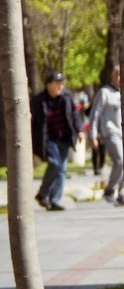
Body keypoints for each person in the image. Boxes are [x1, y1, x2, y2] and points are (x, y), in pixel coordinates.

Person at [33, 72, 73, 211]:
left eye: (62, 83)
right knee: (55, 163)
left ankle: (54, 200)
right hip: (48, 139)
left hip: (64, 138)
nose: (60, 86)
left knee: (62, 170)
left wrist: (79, 130)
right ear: (49, 84)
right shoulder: (39, 100)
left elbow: (74, 114)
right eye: (57, 83)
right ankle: (43, 193)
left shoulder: (66, 97)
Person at [92, 67, 124, 205]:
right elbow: (95, 114)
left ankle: (123, 193)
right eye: (118, 75)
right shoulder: (105, 92)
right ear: (113, 77)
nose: (120, 79)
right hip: (110, 132)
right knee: (120, 160)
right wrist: (92, 135)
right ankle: (110, 189)